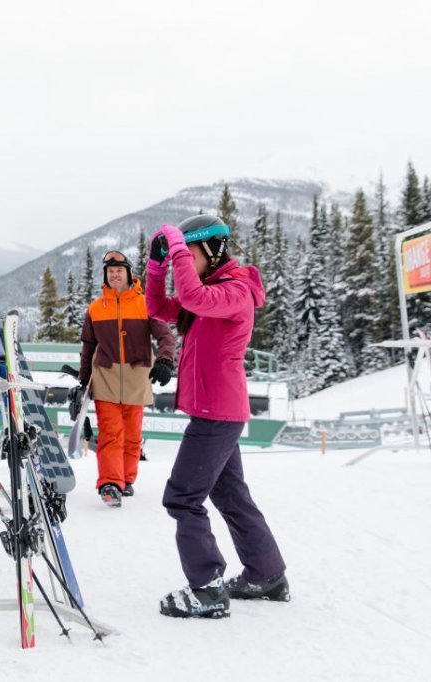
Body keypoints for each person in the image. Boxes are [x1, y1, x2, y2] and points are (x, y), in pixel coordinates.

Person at [146, 215, 289, 620]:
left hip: (217, 413)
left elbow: (190, 298)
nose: (185, 265)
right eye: (183, 257)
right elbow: (159, 307)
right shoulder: (210, 291)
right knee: (230, 495)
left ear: (212, 251)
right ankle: (267, 574)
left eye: (191, 256)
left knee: (182, 497)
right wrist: (158, 268)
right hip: (215, 411)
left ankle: (206, 589)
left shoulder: (235, 291)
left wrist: (175, 251)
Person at [78, 250, 176, 507]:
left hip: (136, 378)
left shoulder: (146, 304)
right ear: (105, 276)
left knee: (132, 436)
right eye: (110, 272)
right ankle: (110, 483)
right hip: (106, 378)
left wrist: (166, 359)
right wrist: (83, 381)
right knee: (111, 433)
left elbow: (166, 337)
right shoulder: (96, 308)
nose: (115, 275)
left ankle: (126, 478)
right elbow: (88, 347)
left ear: (129, 274)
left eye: (119, 271)